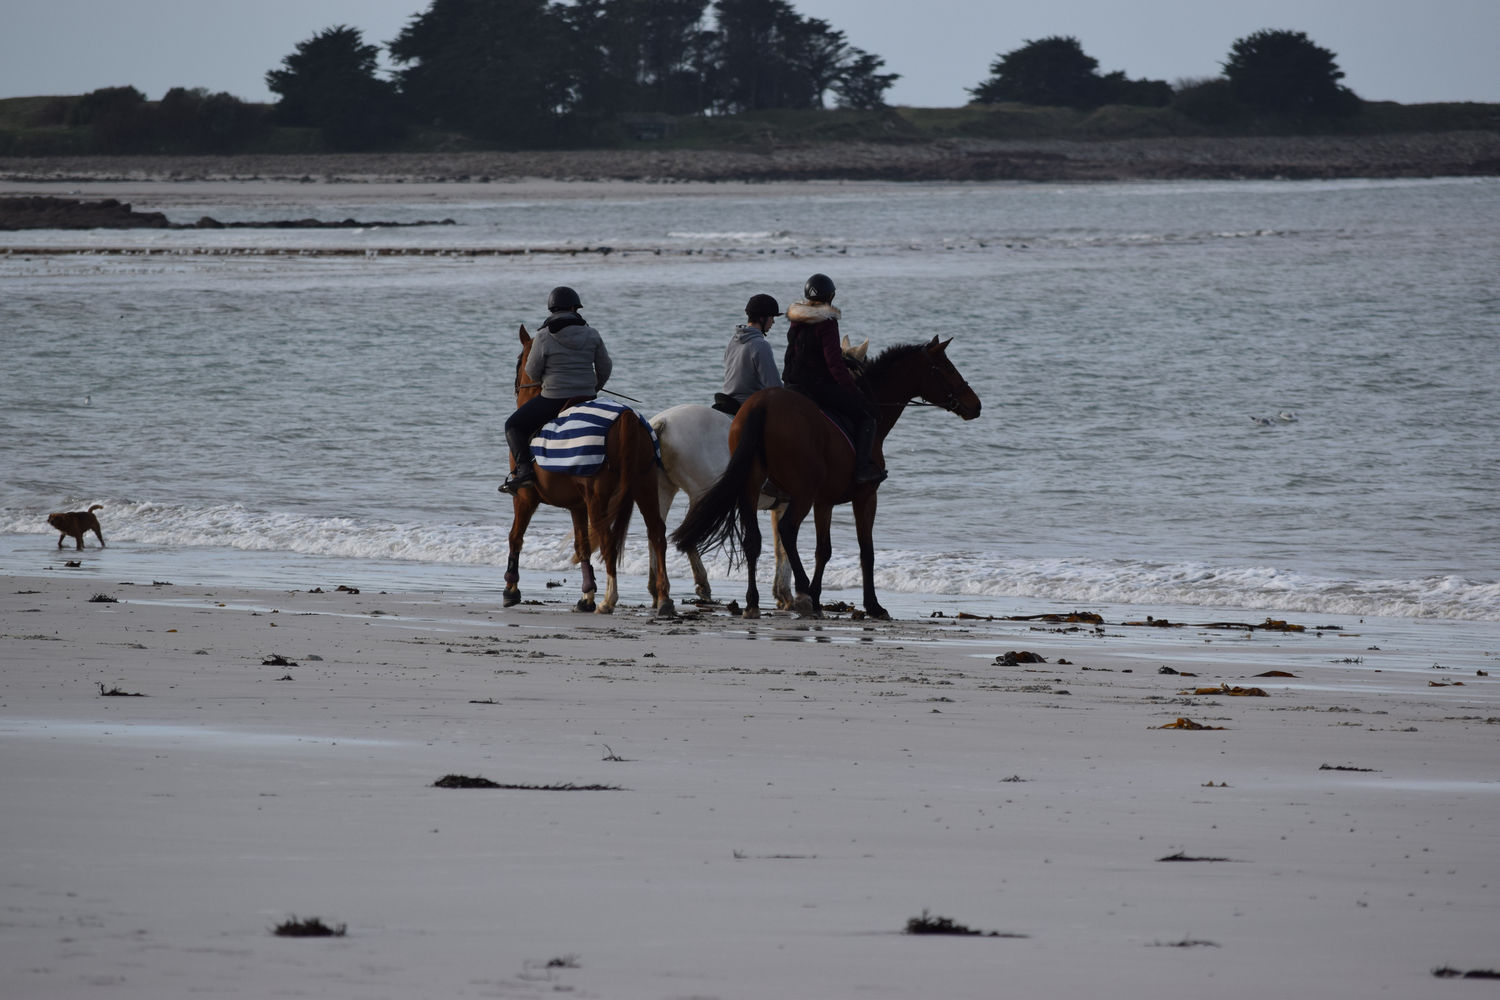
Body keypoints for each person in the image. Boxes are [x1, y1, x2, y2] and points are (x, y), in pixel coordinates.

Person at [499, 285, 612, 494]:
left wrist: (552, 379)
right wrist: (591, 388)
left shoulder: (543, 337)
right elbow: (605, 368)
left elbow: (532, 372)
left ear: (552, 310)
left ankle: (524, 472)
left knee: (513, 425)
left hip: (554, 399)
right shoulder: (593, 334)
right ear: (574, 308)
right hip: (587, 397)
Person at [781, 273, 886, 485]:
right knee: (866, 416)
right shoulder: (826, 321)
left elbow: (799, 353)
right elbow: (833, 365)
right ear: (831, 296)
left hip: (791, 384)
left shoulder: (797, 320)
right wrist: (853, 391)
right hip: (816, 387)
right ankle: (862, 469)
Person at [715, 293, 784, 416]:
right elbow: (774, 388)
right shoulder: (761, 345)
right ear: (762, 318)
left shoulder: (733, 340)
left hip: (727, 401)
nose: (773, 321)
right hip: (747, 406)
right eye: (772, 317)